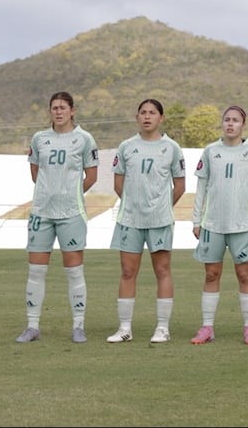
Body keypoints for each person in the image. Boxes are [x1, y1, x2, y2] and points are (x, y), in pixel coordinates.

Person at [17, 91, 100, 343]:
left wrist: (70, 194)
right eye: (54, 107)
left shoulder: (84, 139)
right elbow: (35, 173)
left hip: (71, 214)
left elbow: (92, 176)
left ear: (72, 110)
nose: (59, 111)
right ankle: (32, 326)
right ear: (50, 111)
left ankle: (78, 326)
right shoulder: (39, 138)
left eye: (63, 107)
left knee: (74, 271)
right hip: (41, 212)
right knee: (36, 270)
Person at [106, 99, 186, 344]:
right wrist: (134, 204)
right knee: (128, 272)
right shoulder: (126, 147)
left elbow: (180, 186)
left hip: (160, 220)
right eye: (143, 112)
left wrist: (159, 206)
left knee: (162, 270)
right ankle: (125, 328)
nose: (147, 116)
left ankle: (162, 327)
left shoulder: (171, 148)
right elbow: (118, 183)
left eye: (153, 113)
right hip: (129, 219)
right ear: (137, 117)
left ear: (161, 118)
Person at [190, 105, 248, 345]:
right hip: (212, 224)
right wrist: (197, 220)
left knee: (244, 275)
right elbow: (201, 186)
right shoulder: (210, 151)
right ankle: (207, 327)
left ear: (243, 125)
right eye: (227, 120)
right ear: (222, 123)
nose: (230, 124)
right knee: (211, 273)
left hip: (242, 225)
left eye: (235, 120)